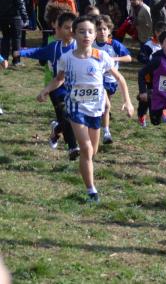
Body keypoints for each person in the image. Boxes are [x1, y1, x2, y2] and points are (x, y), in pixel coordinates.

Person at [37, 15, 134, 203]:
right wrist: (45, 91)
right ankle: (91, 191)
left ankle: (85, 168)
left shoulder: (102, 57)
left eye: (90, 31)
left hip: (96, 109)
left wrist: (128, 102)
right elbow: (59, 79)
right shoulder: (67, 58)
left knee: (92, 152)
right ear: (74, 34)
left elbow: (120, 79)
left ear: (95, 34)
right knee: (86, 148)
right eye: (81, 31)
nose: (86, 35)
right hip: (75, 107)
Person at [18, 11, 79, 160]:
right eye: (66, 27)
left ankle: (55, 130)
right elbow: (38, 52)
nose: (70, 31)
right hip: (57, 88)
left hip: (77, 89)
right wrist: (19, 52)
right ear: (58, 28)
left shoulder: (80, 46)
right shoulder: (55, 47)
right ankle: (73, 148)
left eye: (72, 28)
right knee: (66, 116)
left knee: (72, 119)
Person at [93, 15, 132, 144]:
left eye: (104, 29)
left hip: (112, 80)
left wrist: (114, 59)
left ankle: (99, 126)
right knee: (106, 105)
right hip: (97, 80)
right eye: (99, 29)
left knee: (103, 107)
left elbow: (128, 58)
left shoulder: (114, 44)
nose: (102, 32)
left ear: (109, 30)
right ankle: (106, 133)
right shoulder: (91, 44)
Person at [0, 0, 29, 66]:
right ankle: (16, 60)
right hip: (15, 16)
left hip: (2, 17)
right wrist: (25, 17)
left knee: (5, 37)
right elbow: (20, 2)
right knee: (16, 38)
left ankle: (4, 59)